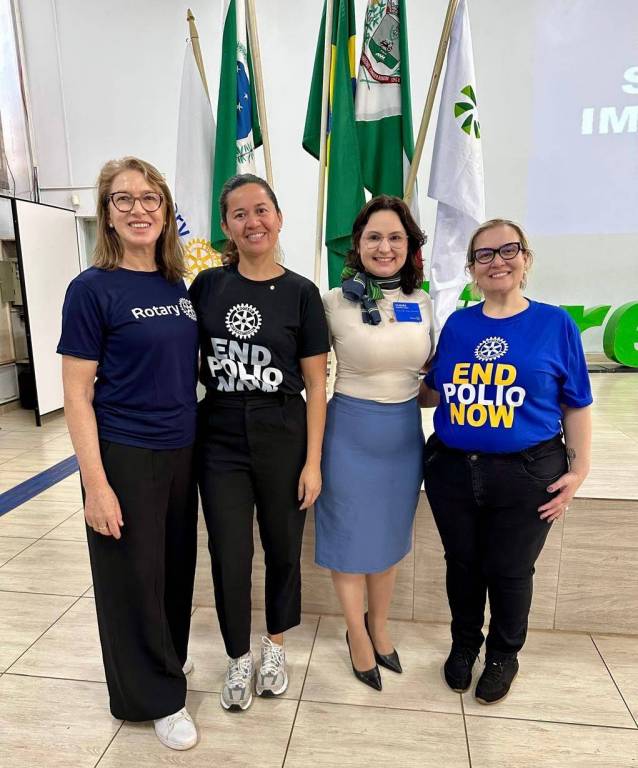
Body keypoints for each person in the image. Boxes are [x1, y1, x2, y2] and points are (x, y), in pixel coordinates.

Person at [57, 157, 199, 749]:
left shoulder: (174, 284)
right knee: (132, 578)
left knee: (174, 570)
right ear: (107, 214)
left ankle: (166, 658)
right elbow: (76, 393)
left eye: (149, 198)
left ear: (165, 210)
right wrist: (96, 485)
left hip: (180, 449)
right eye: (124, 199)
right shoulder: (91, 289)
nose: (138, 209)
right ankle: (154, 699)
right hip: (126, 451)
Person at [420, 218, 592, 704]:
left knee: (511, 570)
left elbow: (576, 403)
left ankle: (502, 654)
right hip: (454, 469)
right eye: (484, 254)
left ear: (526, 259)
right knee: (462, 565)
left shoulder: (555, 324)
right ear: (472, 268)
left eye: (508, 250)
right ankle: (464, 644)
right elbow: (433, 391)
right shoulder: (458, 325)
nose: (497, 261)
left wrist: (579, 470)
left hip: (527, 473)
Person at [188, 173, 329, 712]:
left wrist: (312, 462)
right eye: (240, 213)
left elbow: (316, 385)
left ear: (279, 217)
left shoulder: (301, 293)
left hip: (282, 430)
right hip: (220, 431)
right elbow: (184, 361)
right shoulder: (207, 287)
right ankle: (237, 655)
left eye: (262, 210)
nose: (253, 222)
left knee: (282, 547)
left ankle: (275, 646)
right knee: (228, 551)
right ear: (226, 226)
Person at [314, 195, 433, 690]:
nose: (385, 247)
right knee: (348, 539)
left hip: (403, 436)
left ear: (410, 245)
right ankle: (356, 633)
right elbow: (311, 378)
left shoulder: (422, 302)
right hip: (348, 434)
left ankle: (380, 626)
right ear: (358, 245)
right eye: (374, 237)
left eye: (395, 237)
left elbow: (428, 380)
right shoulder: (332, 302)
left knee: (388, 538)